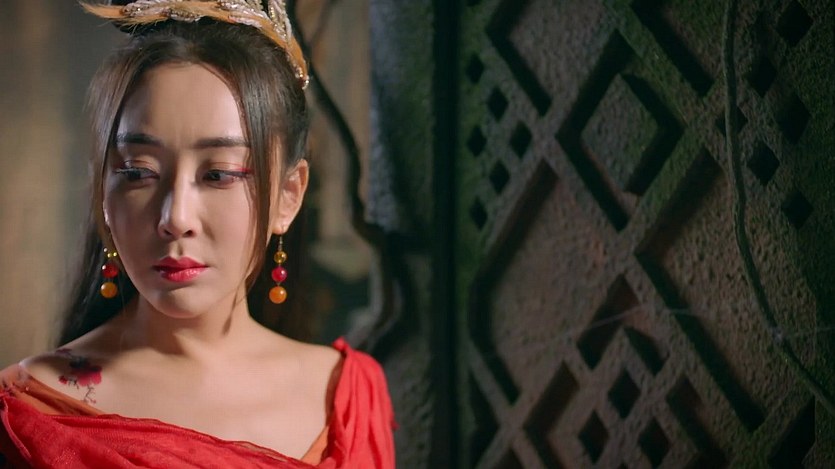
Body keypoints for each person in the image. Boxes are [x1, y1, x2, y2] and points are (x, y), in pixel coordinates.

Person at [0, 1, 395, 467]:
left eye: (219, 174)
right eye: (138, 172)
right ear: (102, 191)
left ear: (288, 196)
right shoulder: (30, 413)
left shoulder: (348, 396)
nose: (176, 217)